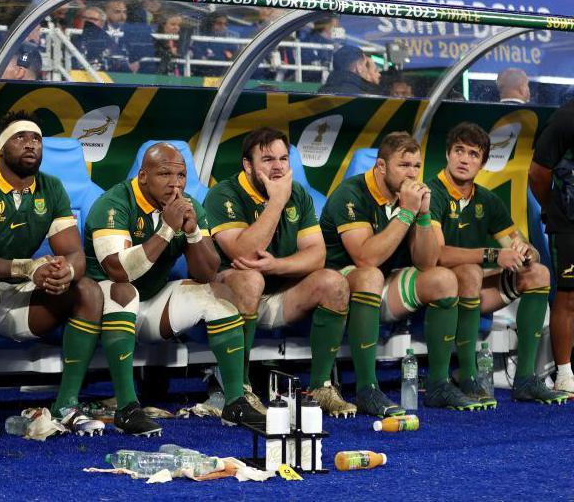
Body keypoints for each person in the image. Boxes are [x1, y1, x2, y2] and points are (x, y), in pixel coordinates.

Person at [0, 111, 106, 439]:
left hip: (18, 293)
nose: (31, 144)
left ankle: (67, 405)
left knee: (88, 290)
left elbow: (74, 252)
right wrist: (27, 267)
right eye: (20, 137)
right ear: (1, 148)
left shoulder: (51, 187)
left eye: (36, 138)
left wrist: (65, 271)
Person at [85, 143, 266, 432]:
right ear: (143, 176)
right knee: (124, 290)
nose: (175, 183)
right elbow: (118, 271)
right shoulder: (114, 202)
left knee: (218, 295)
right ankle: (127, 407)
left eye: (181, 175)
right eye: (164, 174)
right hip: (102, 310)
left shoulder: (189, 204)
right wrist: (167, 229)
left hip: (151, 305)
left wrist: (193, 232)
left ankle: (235, 401)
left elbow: (206, 273)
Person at [320, 132, 481, 415]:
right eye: (404, 165)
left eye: (416, 166)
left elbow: (428, 261)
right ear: (381, 166)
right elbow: (365, 257)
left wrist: (423, 215)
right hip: (340, 284)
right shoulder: (351, 193)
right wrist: (406, 212)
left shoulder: (409, 196)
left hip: (385, 281)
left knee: (443, 279)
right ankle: (366, 387)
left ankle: (438, 384)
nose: (412, 174)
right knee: (370, 275)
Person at [205, 128, 355, 417]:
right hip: (232, 296)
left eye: (283, 159)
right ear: (248, 165)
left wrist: (277, 265)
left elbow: (317, 255)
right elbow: (244, 254)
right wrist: (275, 202)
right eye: (268, 159)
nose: (278, 167)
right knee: (250, 278)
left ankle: (321, 387)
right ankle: (240, 390)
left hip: (281, 291)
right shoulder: (223, 194)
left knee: (334, 282)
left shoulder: (297, 193)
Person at [431, 123, 566, 404]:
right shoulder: (432, 193)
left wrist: (526, 252)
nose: (464, 159)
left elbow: (520, 245)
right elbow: (436, 255)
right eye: (459, 151)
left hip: (473, 290)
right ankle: (467, 378)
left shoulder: (487, 200)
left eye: (473, 154)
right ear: (447, 154)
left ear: (481, 163)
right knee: (468, 273)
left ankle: (526, 379)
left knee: (538, 273)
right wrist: (493, 256)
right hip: (435, 290)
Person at [529, 98, 574, 395]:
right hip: (569, 220)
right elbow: (538, 174)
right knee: (569, 297)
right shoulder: (565, 119)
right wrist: (555, 208)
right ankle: (565, 373)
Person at [318, 45, 383, 96]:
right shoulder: (367, 97)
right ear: (359, 66)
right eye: (365, 65)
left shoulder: (321, 92)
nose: (366, 70)